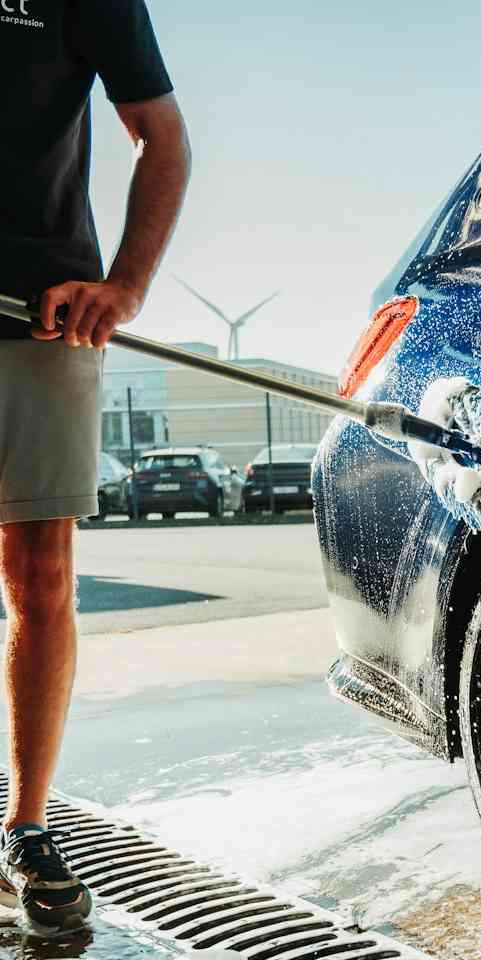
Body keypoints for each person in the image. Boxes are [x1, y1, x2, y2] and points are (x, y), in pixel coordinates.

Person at [0, 0, 190, 933]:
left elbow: (161, 137)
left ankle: (27, 824)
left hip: (45, 314)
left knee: (41, 579)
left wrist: (127, 285)